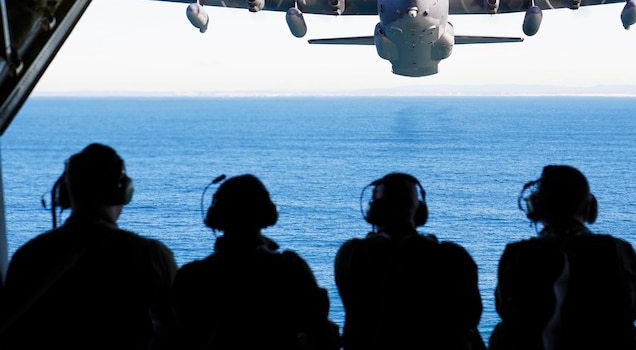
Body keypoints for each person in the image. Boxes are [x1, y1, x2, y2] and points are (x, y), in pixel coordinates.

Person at [0, 143, 178, 349]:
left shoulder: (28, 256)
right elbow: (177, 328)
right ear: (122, 192)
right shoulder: (150, 254)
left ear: (64, 194)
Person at [171, 174, 339, 349]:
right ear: (268, 213)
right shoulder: (290, 268)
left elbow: (181, 335)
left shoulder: (192, 275)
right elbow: (319, 331)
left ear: (216, 215)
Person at [489, 164, 636, 350]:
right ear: (589, 209)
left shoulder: (517, 255)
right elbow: (632, 312)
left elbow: (505, 311)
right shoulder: (620, 251)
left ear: (536, 208)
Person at [335, 172, 484, 350]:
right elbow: (470, 315)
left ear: (374, 210)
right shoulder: (452, 257)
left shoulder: (350, 254)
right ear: (420, 210)